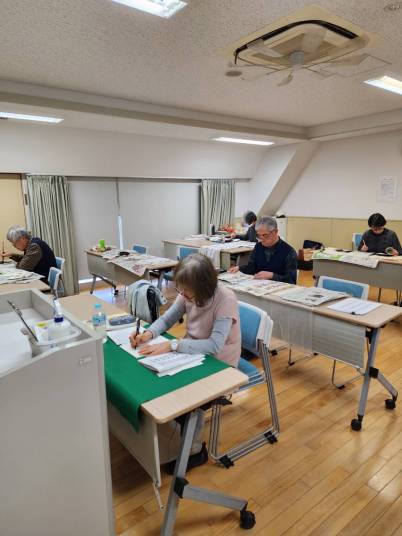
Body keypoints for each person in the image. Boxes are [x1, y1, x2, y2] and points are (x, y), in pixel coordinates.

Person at [129, 253, 241, 472]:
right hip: (193, 351)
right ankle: (177, 431)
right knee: (164, 380)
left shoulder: (225, 299)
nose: (182, 295)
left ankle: (195, 450)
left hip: (220, 361)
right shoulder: (188, 291)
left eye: (186, 291)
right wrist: (148, 334)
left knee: (191, 394)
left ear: (204, 287)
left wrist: (173, 345)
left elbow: (215, 345)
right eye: (181, 289)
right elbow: (167, 318)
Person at [228, 216, 297, 284]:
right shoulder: (258, 247)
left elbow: (291, 280)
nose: (261, 239)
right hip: (258, 286)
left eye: (265, 235)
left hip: (279, 289)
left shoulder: (289, 252)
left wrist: (272, 276)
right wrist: (239, 268)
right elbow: (251, 268)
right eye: (258, 235)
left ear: (275, 231)